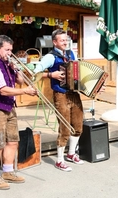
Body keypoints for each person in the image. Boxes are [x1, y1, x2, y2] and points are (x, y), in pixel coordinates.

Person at [0, 35, 37, 190]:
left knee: (12, 141)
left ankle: (7, 171)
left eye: (11, 50)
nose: (9, 53)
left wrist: (16, 68)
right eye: (7, 50)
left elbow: (19, 81)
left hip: (9, 106)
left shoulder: (8, 63)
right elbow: (2, 90)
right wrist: (26, 91)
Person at [33, 29, 85, 172]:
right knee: (65, 128)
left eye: (66, 40)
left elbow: (77, 71)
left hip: (74, 94)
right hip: (60, 94)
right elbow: (35, 72)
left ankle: (71, 154)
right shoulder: (50, 57)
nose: (65, 42)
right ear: (54, 42)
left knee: (78, 125)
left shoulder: (71, 54)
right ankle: (59, 160)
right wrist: (51, 74)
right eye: (62, 40)